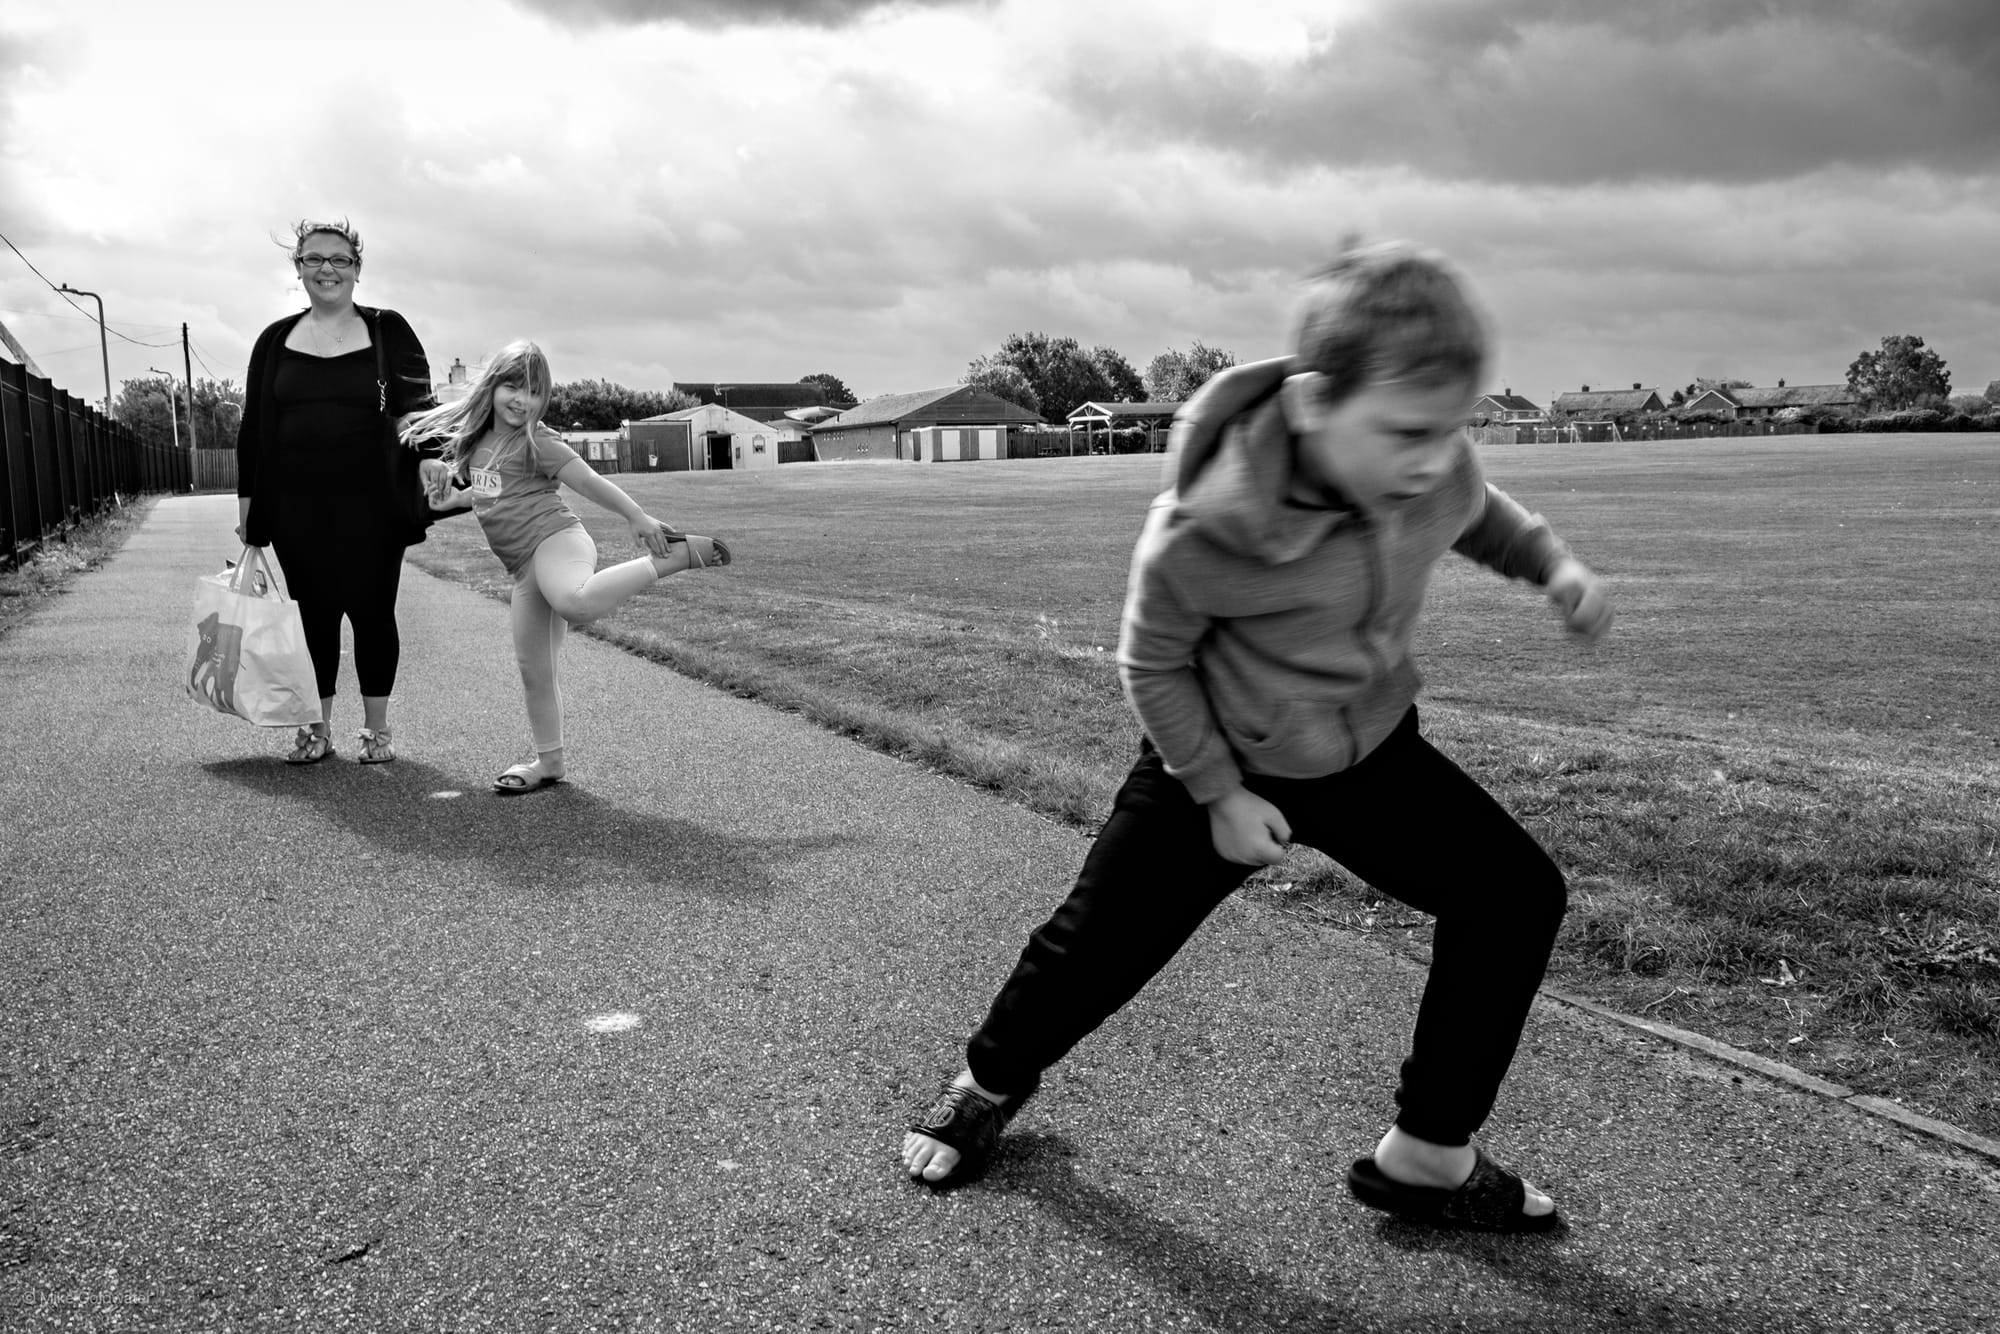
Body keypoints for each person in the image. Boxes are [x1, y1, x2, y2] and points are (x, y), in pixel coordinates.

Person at [900, 240, 1613, 1233]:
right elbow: (1149, 662)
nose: (1430, 458)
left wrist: (1552, 566)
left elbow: (1473, 510)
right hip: (1215, 759)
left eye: (1450, 430)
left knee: (1513, 894)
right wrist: (1219, 793)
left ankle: (1428, 1152)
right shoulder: (1207, 521)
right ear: (1316, 402)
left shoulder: (1425, 463)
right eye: (1406, 430)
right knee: (1090, 946)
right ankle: (986, 1082)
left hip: (1366, 749)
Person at [405, 340, 732, 794]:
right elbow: (489, 494)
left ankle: (673, 558)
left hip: (557, 541)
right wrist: (453, 499)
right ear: (492, 387)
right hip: (523, 568)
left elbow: (589, 481)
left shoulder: (537, 440)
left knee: (574, 601)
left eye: (535, 392)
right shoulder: (479, 442)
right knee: (534, 669)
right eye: (513, 387)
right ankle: (549, 761)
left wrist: (636, 516)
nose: (523, 400)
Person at [236, 217, 438, 765]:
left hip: (373, 504)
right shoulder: (275, 340)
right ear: (298, 268)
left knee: (373, 613)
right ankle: (317, 729)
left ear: (356, 269)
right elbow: (254, 428)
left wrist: (428, 464)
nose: (327, 269)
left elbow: (419, 409)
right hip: (297, 508)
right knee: (313, 619)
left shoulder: (387, 329)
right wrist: (249, 512)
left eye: (340, 259)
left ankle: (376, 731)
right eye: (314, 259)